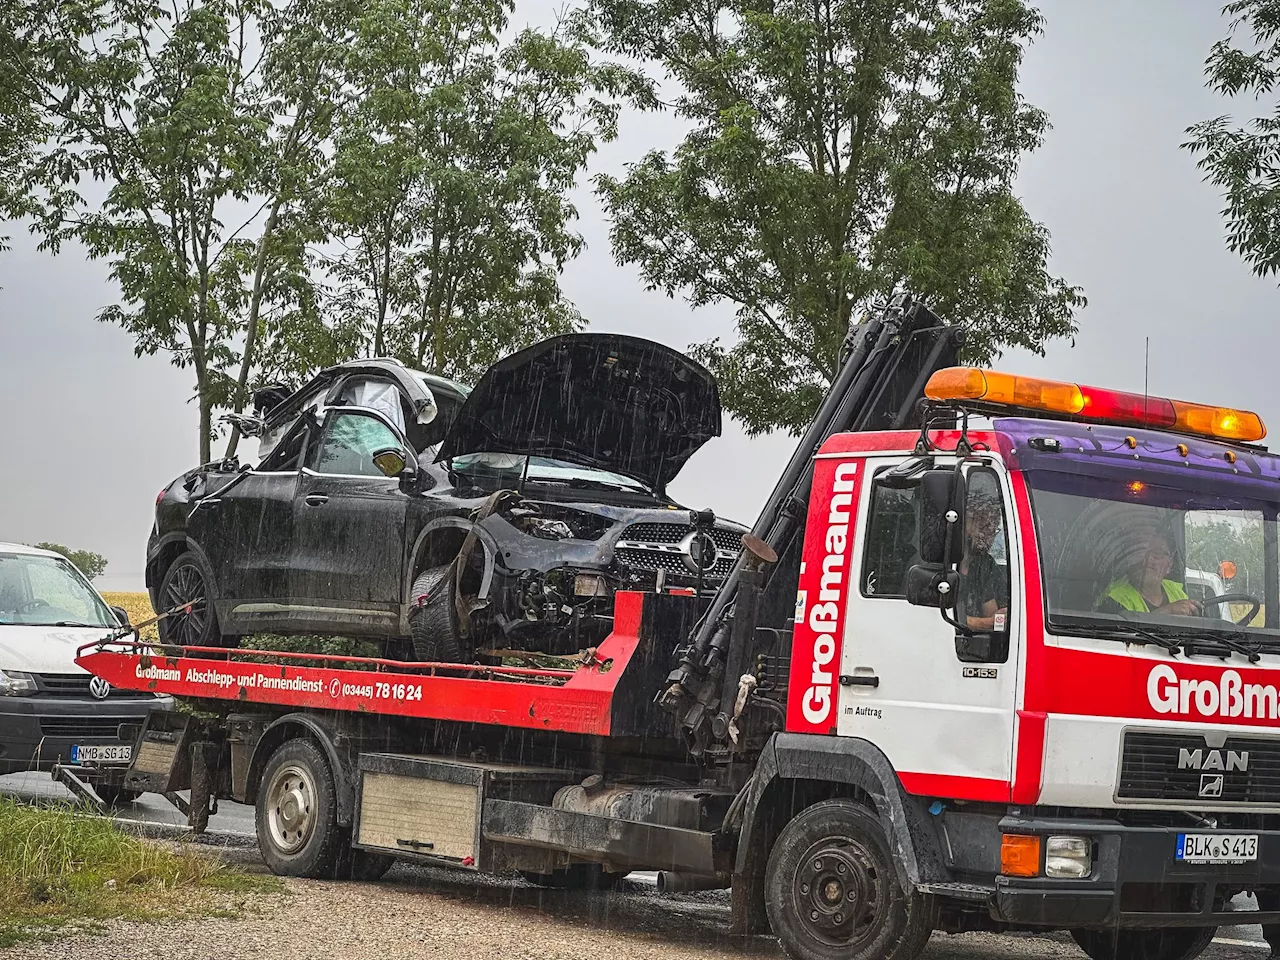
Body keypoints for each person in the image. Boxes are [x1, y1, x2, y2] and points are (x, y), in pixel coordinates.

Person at [1096, 530, 1201, 617]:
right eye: (1141, 553)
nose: (1148, 559)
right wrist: (1168, 611)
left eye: (1157, 554)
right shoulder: (1114, 598)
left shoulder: (1176, 591)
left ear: (1169, 566)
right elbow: (1120, 634)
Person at [956, 498, 1007, 631]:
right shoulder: (936, 561)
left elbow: (994, 613)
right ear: (966, 522)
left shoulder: (985, 563)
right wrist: (988, 623)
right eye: (985, 527)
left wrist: (998, 618)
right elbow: (944, 619)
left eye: (993, 529)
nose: (989, 535)